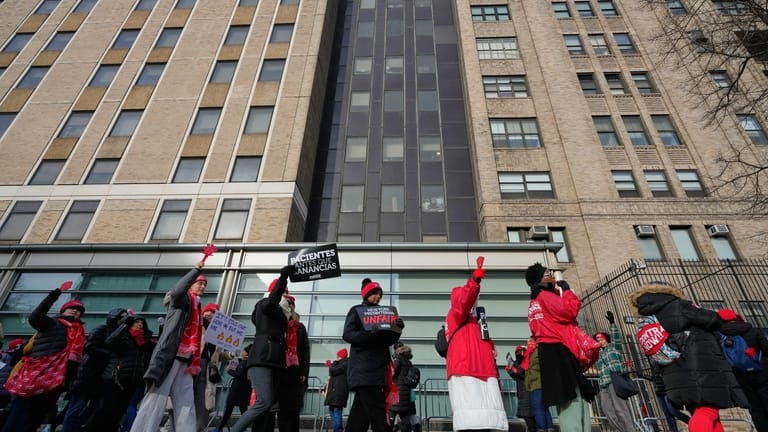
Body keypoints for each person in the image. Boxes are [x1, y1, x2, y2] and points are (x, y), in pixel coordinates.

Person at [628, 281, 749, 432]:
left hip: (675, 372)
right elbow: (711, 320)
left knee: (707, 413)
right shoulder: (679, 306)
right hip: (700, 367)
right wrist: (722, 315)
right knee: (708, 411)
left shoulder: (646, 318)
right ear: (669, 293)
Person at [129, 260, 208, 432]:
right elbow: (178, 290)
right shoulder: (180, 301)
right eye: (200, 283)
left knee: (186, 403)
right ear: (191, 284)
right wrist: (195, 270)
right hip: (169, 357)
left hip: (186, 361)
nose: (203, 287)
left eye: (204, 284)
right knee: (155, 399)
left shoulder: (198, 307)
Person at [2, 281, 87, 432]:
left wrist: (69, 381)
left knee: (36, 416)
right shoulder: (51, 323)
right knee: (20, 412)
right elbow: (35, 316)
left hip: (57, 380)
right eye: (71, 308)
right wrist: (55, 294)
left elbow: (74, 360)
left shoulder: (79, 334)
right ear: (63, 311)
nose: (75, 311)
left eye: (78, 310)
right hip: (37, 374)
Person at [526, 262, 595, 432]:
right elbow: (569, 311)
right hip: (559, 351)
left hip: (550, 352)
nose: (551, 277)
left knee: (572, 398)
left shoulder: (534, 301)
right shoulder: (544, 296)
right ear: (540, 280)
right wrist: (568, 291)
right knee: (572, 399)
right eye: (547, 274)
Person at [229, 264, 296, 432]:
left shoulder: (279, 312)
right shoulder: (266, 304)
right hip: (263, 359)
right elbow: (271, 301)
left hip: (273, 361)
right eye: (284, 292)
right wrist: (283, 278)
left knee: (268, 403)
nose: (287, 295)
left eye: (287, 291)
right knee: (263, 402)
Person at [445, 262, 508, 432]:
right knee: (473, 419)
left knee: (484, 420)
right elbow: (464, 301)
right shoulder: (457, 313)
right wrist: (474, 281)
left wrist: (491, 347)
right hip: (468, 368)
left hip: (482, 368)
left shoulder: (473, 318)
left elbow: (482, 336)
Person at [343, 278, 403, 432]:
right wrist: (369, 335)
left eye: (379, 294)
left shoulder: (383, 314)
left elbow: (386, 341)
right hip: (365, 371)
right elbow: (348, 334)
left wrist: (397, 330)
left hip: (377, 371)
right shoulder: (356, 310)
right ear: (366, 294)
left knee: (359, 417)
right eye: (374, 293)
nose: (377, 297)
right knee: (378, 414)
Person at [61, 308, 128, 432]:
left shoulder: (122, 334)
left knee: (94, 409)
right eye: (121, 317)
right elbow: (90, 347)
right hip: (88, 374)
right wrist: (109, 354)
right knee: (77, 407)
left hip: (103, 377)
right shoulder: (101, 329)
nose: (123, 319)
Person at [87, 313, 155, 432]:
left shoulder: (143, 342)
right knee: (108, 409)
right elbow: (110, 341)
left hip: (132, 380)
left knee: (120, 411)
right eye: (136, 322)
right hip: (115, 378)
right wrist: (124, 324)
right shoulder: (123, 337)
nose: (140, 325)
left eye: (142, 324)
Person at [717, 308, 768, 431]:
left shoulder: (720, 337)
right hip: (762, 373)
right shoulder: (753, 331)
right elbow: (766, 350)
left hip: (740, 377)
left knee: (755, 409)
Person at [593, 311, 636, 432]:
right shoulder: (598, 353)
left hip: (614, 381)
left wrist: (612, 323)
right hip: (603, 384)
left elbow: (616, 336)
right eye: (598, 340)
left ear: (606, 339)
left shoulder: (614, 347)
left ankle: (631, 430)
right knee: (607, 410)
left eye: (602, 339)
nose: (600, 341)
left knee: (621, 410)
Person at [276, 301, 310, 432]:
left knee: (294, 410)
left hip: (296, 373)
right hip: (280, 372)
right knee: (282, 410)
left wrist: (304, 372)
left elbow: (305, 351)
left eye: (290, 306)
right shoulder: (278, 325)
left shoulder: (300, 327)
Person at [195, 302, 229, 432]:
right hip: (195, 365)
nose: (209, 314)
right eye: (208, 311)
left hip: (208, 370)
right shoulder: (197, 326)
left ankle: (199, 428)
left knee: (205, 402)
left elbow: (216, 354)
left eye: (214, 312)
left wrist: (228, 355)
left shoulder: (218, 333)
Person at [214, 345, 252, 432]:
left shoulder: (245, 362)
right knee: (243, 410)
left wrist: (229, 371)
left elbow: (239, 375)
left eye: (243, 350)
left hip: (237, 390)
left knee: (229, 410)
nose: (242, 352)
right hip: (243, 390)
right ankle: (243, 428)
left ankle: (219, 428)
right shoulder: (247, 362)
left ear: (246, 353)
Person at [523, 339, 554, 432]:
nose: (528, 344)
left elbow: (532, 368)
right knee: (544, 408)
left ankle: (541, 428)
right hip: (539, 384)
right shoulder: (534, 352)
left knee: (538, 408)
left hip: (536, 384)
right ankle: (549, 428)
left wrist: (529, 379)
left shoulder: (535, 353)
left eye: (529, 341)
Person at [390, 342, 421, 432]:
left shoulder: (398, 359)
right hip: (407, 393)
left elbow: (393, 372)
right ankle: (415, 428)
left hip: (397, 391)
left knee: (391, 413)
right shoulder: (408, 362)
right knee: (406, 416)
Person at [505, 345, 535, 432]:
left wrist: (516, 371)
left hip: (528, 392)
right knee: (528, 418)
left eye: (520, 351)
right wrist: (510, 371)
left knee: (529, 418)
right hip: (521, 393)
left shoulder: (527, 361)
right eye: (516, 352)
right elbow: (516, 377)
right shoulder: (517, 363)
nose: (518, 354)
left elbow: (525, 375)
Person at [323, 348, 349, 432]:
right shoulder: (340, 364)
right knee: (332, 410)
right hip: (334, 393)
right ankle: (336, 430)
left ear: (341, 356)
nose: (336, 357)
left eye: (338, 356)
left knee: (337, 411)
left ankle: (338, 430)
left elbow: (333, 370)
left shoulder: (345, 364)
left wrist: (332, 364)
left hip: (338, 393)